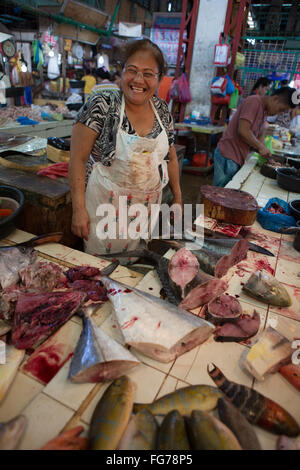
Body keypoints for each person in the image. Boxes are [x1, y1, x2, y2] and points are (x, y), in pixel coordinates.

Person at [69, 39, 182, 259]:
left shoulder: (162, 110)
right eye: (132, 70)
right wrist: (78, 209)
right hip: (104, 212)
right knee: (100, 276)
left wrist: (177, 198)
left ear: (159, 79)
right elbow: (77, 160)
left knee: (135, 274)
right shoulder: (102, 104)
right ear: (121, 72)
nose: (139, 80)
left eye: (148, 74)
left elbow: (171, 157)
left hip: (144, 214)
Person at [213, 86, 297, 187]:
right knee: (219, 193)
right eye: (280, 109)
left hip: (237, 157)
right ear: (275, 98)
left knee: (226, 192)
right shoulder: (254, 102)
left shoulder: (264, 112)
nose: (278, 113)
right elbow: (243, 131)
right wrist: (261, 147)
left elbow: (259, 138)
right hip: (228, 155)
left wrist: (268, 157)